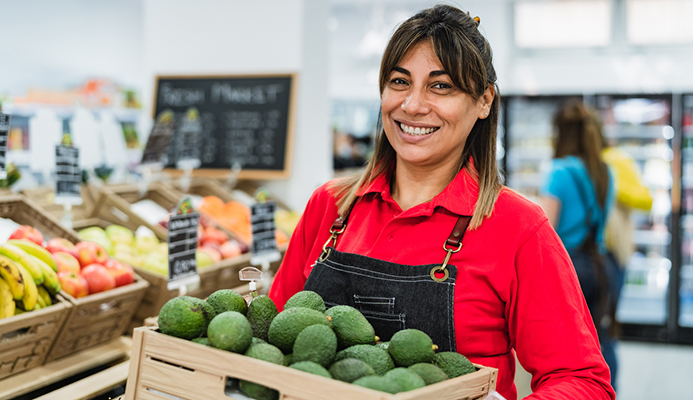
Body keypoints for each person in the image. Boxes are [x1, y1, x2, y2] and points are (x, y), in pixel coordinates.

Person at [269, 5, 614, 400]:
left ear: (484, 101)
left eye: (441, 86)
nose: (413, 105)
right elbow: (276, 336)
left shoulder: (517, 227)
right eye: (400, 81)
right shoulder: (331, 206)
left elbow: (584, 382)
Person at [539, 100, 616, 390]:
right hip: (600, 265)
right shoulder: (605, 170)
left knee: (567, 350)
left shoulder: (559, 171)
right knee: (599, 343)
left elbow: (546, 227)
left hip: (569, 266)